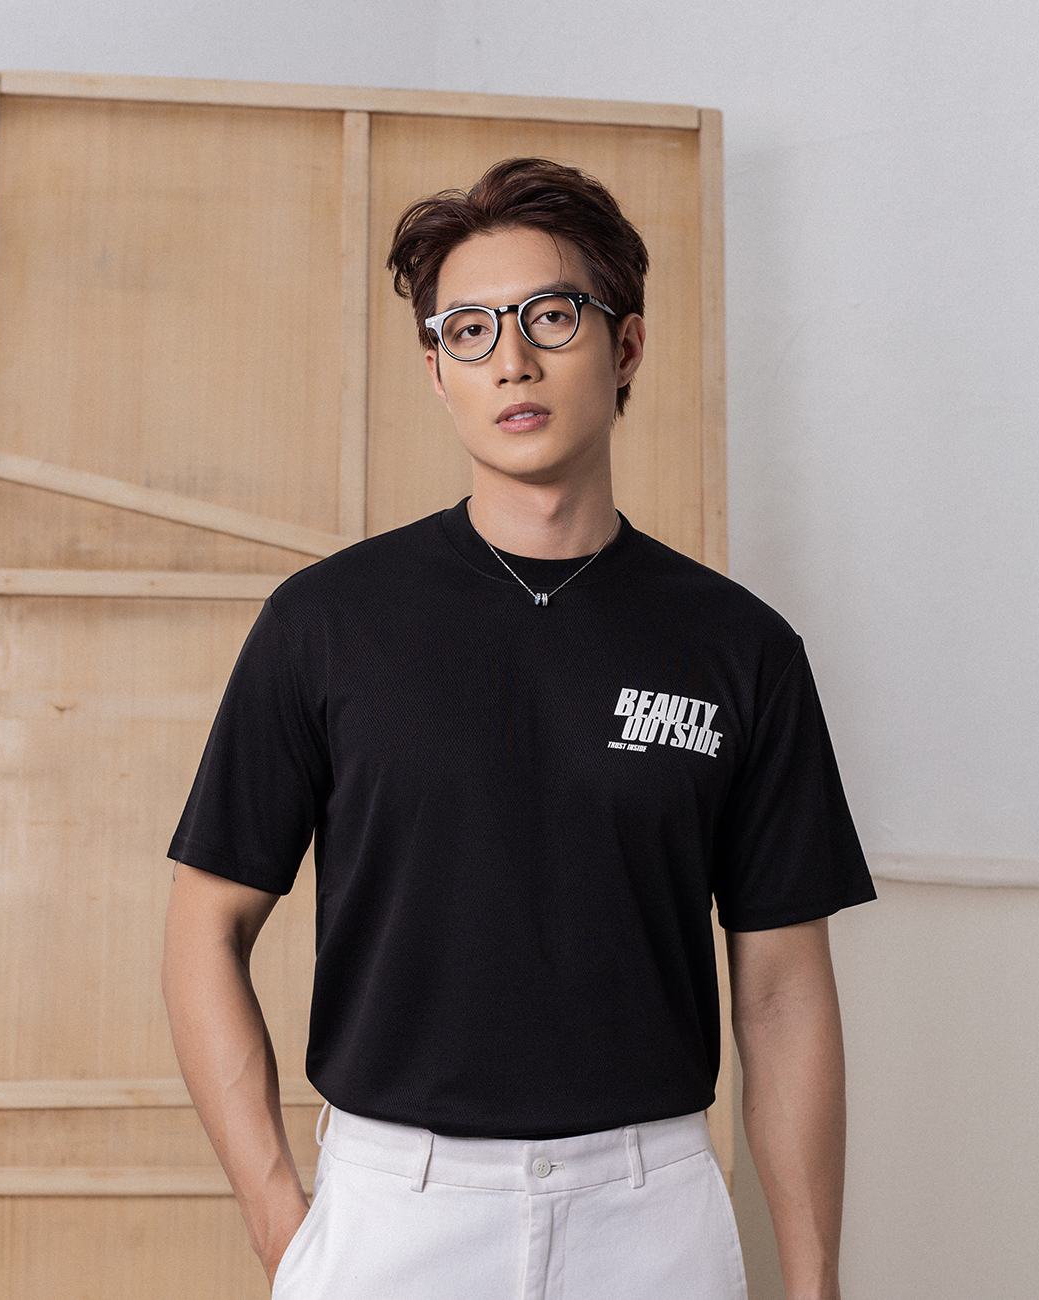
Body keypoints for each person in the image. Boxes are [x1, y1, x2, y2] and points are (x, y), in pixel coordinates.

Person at [162, 157, 875, 1300]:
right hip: (396, 1211)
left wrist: (814, 1278)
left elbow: (784, 991)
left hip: (651, 1217)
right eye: (470, 329)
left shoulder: (741, 649)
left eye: (551, 315)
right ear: (437, 371)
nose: (512, 359)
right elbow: (205, 925)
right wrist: (279, 1221)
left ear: (625, 345)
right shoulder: (326, 623)